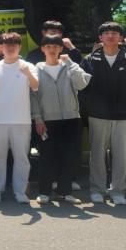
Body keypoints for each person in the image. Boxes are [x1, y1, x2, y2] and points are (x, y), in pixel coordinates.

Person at [79, 21, 126, 205]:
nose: (110, 36)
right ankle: (97, 189)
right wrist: (89, 107)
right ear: (100, 37)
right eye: (106, 33)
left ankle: (118, 190)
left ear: (121, 37)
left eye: (115, 33)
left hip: (124, 114)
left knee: (121, 155)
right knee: (97, 154)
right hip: (97, 114)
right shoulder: (90, 58)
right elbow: (82, 87)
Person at [30, 35, 90, 204]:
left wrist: (70, 63)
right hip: (48, 120)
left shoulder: (70, 66)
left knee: (69, 157)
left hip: (71, 118)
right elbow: (33, 97)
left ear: (61, 49)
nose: (52, 49)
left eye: (55, 46)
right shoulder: (37, 69)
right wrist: (38, 119)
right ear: (42, 49)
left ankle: (65, 191)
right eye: (48, 46)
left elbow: (82, 84)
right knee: (47, 157)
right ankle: (44, 192)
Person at [0, 33, 39, 203]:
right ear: (1, 47)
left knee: (22, 158)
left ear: (19, 47)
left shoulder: (28, 66)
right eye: (7, 44)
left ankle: (20, 191)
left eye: (14, 45)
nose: (10, 48)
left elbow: (36, 86)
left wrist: (27, 73)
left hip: (22, 120)